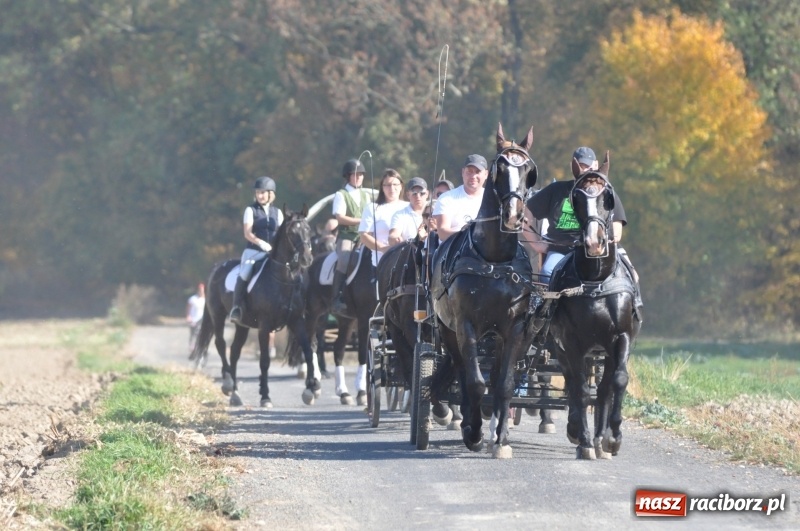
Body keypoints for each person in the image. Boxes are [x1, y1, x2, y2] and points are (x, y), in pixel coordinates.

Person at [524, 147, 627, 284]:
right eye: (581, 166)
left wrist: (608, 240)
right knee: (547, 273)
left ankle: (635, 304)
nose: (585, 170)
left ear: (596, 165)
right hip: (561, 251)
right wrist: (536, 244)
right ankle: (546, 305)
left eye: (588, 165)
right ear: (574, 167)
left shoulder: (605, 191)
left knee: (630, 276)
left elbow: (617, 227)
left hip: (599, 250)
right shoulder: (556, 190)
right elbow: (525, 212)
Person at [230, 176, 284, 323]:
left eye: (263, 192)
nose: (259, 195)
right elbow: (247, 233)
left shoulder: (277, 213)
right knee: (245, 272)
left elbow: (281, 234)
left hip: (271, 253)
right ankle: (236, 307)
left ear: (270, 194)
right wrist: (260, 242)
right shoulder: (251, 210)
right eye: (258, 192)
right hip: (253, 252)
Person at [331, 158, 372, 315]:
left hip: (363, 236)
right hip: (347, 236)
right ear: (348, 176)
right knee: (344, 260)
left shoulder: (365, 195)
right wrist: (361, 220)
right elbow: (340, 218)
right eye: (355, 175)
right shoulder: (341, 195)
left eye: (361, 174)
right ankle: (336, 298)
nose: (359, 177)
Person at [431, 154, 489, 241]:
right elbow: (442, 233)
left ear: (486, 174)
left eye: (478, 172)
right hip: (452, 251)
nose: (473, 176)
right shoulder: (446, 198)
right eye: (469, 171)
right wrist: (469, 236)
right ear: (463, 172)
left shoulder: (493, 200)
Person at [359, 169, 408, 266]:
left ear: (401, 186)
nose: (392, 188)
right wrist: (383, 248)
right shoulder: (373, 207)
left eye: (395, 184)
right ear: (382, 187)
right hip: (382, 262)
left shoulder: (409, 207)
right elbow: (364, 236)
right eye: (388, 185)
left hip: (407, 262)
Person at [388, 177, 430, 245]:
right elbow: (393, 235)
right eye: (414, 193)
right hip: (410, 254)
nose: (418, 197)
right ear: (408, 195)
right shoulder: (400, 215)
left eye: (422, 193)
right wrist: (394, 238)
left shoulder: (435, 209)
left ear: (427, 194)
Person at [186, 282, 205, 352]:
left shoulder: (206, 299)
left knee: (200, 333)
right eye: (200, 290)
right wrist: (188, 316)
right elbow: (188, 309)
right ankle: (191, 346)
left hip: (202, 320)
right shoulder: (192, 299)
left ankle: (200, 347)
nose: (201, 292)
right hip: (194, 319)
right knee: (193, 333)